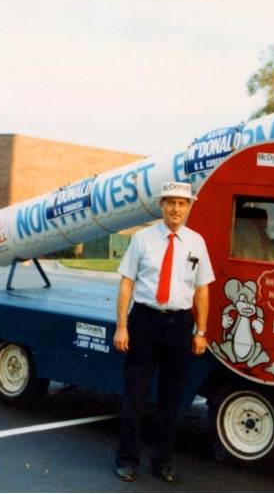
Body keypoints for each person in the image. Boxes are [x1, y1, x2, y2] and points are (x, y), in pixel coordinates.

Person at [113, 181, 215, 483]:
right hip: (144, 321)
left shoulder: (197, 242)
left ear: (189, 207)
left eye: (182, 203)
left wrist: (201, 331)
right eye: (170, 202)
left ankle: (163, 461)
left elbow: (202, 290)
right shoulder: (143, 239)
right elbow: (126, 283)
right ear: (161, 206)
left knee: (171, 399)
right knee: (135, 395)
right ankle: (127, 460)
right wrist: (122, 326)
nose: (176, 208)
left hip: (179, 325)